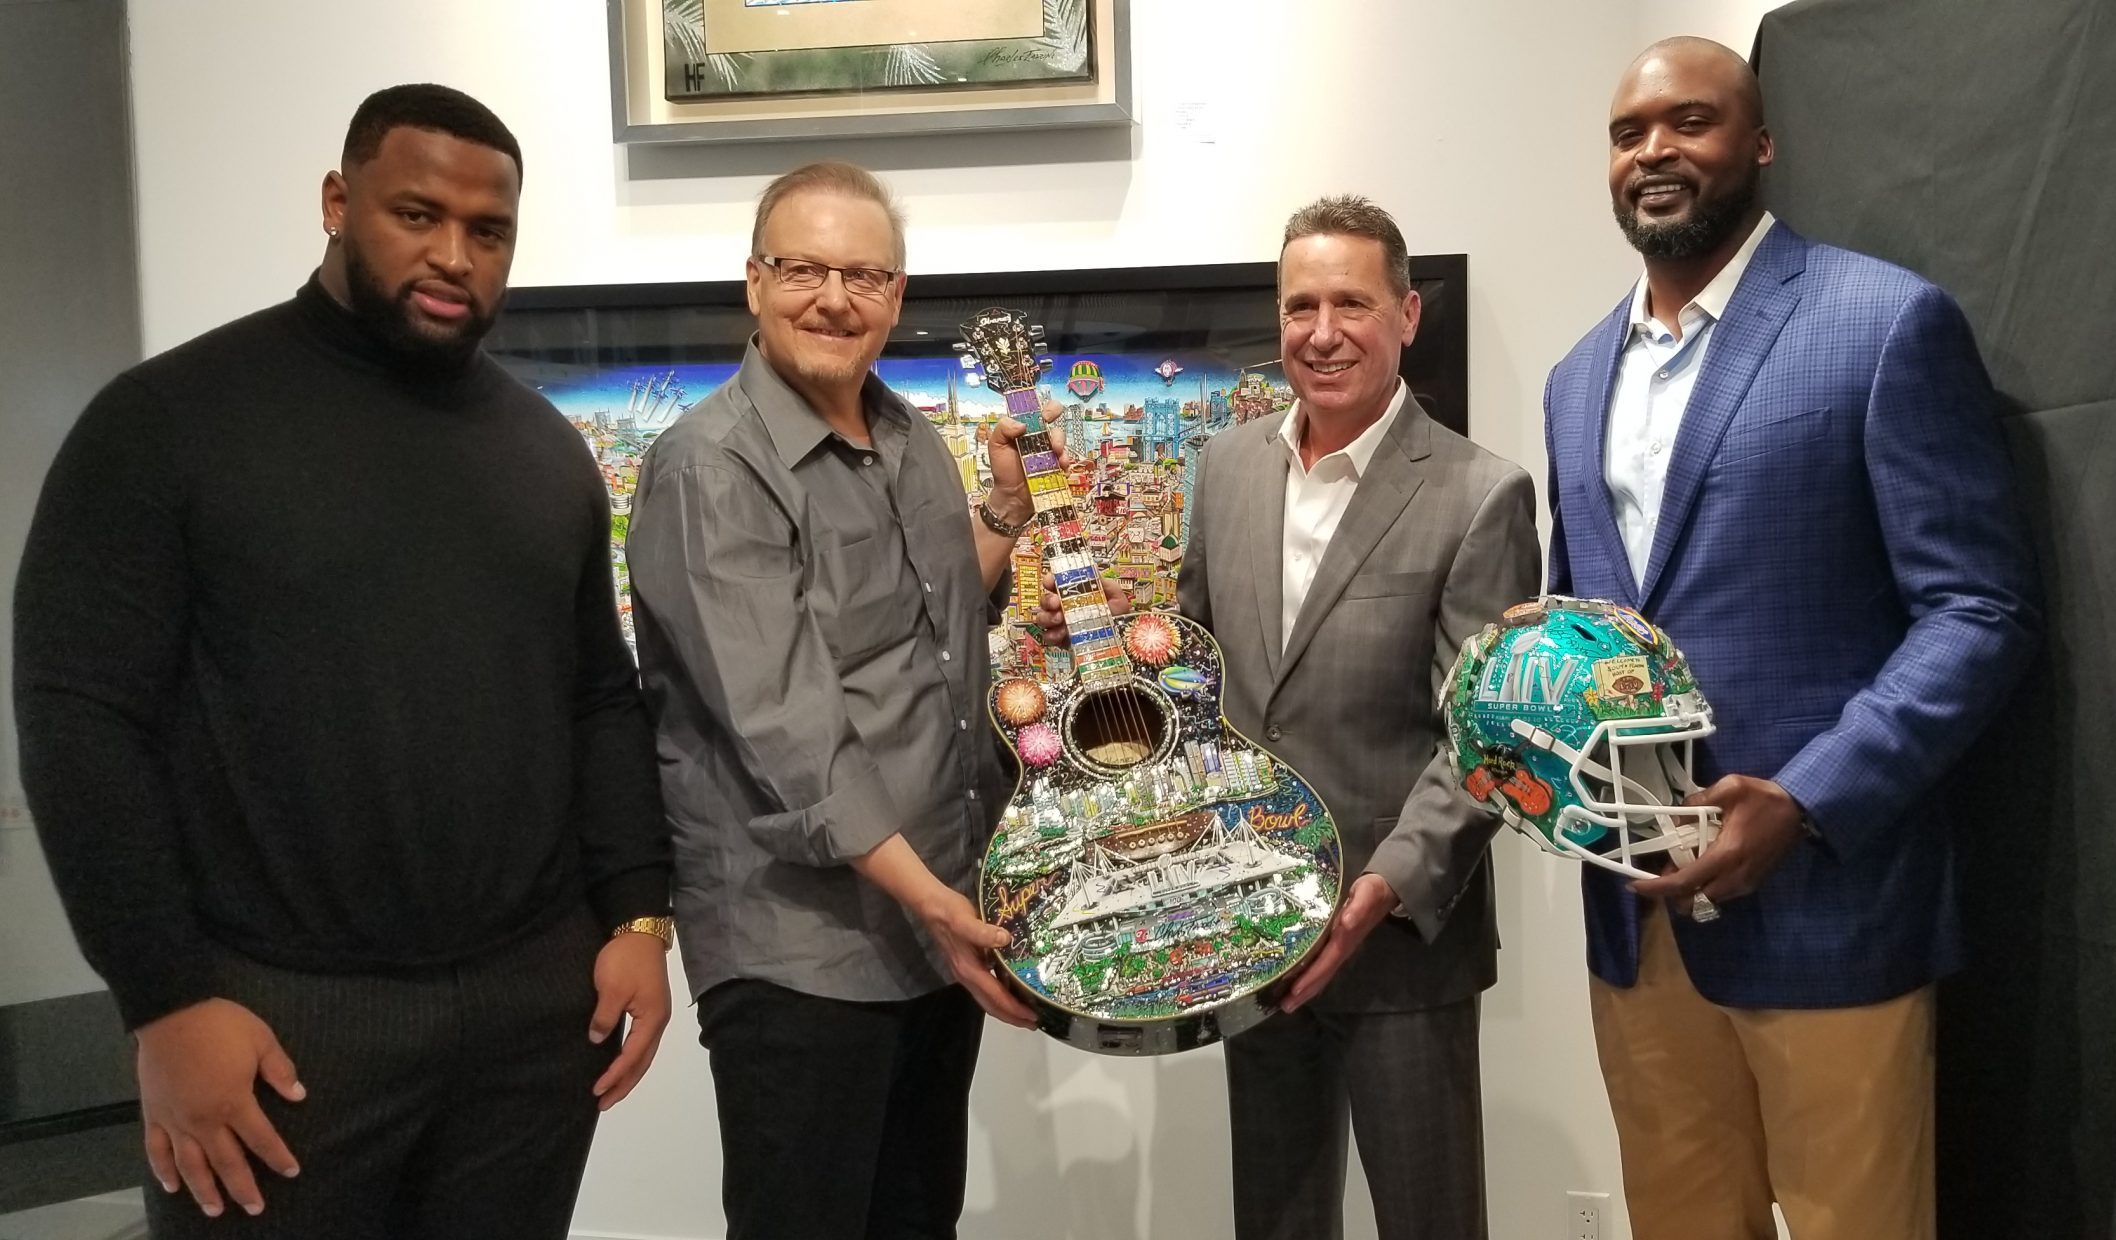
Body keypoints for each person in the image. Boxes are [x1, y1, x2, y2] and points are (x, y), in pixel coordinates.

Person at [11, 84, 673, 1237]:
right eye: (416, 213)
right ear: (336, 201)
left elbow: (595, 698)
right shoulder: (165, 421)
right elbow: (79, 717)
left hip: (529, 1012)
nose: (452, 255)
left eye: (488, 230)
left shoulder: (544, 449)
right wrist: (164, 998)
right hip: (278, 1015)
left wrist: (636, 917)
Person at [1542, 38, 2041, 1239]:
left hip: (1830, 903)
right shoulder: (1572, 378)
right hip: (1637, 915)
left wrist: (1805, 800)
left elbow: (1979, 610)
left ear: (1759, 145)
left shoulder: (1882, 321)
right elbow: (1592, 629)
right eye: (1628, 133)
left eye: (1690, 122)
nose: (1654, 150)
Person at [1042, 195, 1541, 1240]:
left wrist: (1373, 894)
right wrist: (1090, 643)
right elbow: (1189, 666)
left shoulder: (1478, 492)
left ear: (1406, 315)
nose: (1321, 331)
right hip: (1248, 924)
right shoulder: (1222, 469)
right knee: (1273, 1217)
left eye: (1350, 302)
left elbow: (1485, 737)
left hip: (1399, 941)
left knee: (1429, 1218)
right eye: (1299, 303)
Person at [625, 161, 1046, 1240]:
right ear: (754, 283)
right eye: (804, 267)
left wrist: (1002, 508)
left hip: (930, 927)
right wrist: (944, 904)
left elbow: (927, 620)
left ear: (897, 296)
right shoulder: (708, 467)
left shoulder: (911, 445)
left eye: (863, 274)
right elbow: (789, 727)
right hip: (800, 949)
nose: (834, 297)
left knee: (914, 1223)